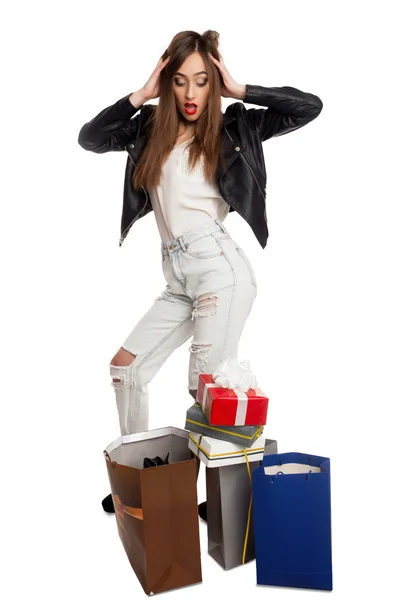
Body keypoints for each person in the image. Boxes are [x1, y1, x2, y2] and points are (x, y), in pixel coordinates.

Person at [77, 29, 323, 518]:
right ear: (168, 81)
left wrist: (241, 90)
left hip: (219, 270)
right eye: (181, 81)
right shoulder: (148, 127)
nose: (191, 94)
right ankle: (141, 475)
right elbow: (90, 137)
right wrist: (142, 94)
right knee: (127, 368)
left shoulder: (237, 127)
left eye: (203, 81)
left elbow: (309, 106)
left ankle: (232, 496)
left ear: (215, 83)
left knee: (208, 389)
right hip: (177, 275)